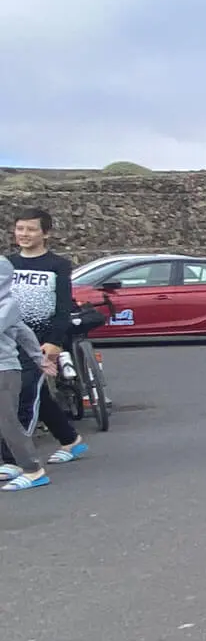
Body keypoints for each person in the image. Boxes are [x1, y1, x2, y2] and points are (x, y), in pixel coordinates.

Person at [8, 208, 86, 464]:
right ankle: (70, 440)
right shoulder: (8, 264)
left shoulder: (58, 265)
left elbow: (63, 308)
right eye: (20, 228)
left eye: (31, 229)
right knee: (36, 395)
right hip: (10, 340)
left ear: (45, 233)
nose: (24, 234)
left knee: (25, 395)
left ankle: (14, 459)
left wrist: (54, 342)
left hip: (40, 342)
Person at [0, 259, 56, 491]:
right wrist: (38, 358)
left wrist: (37, 359)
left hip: (4, 370)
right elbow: (25, 333)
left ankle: (33, 470)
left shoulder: (8, 304)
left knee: (8, 423)